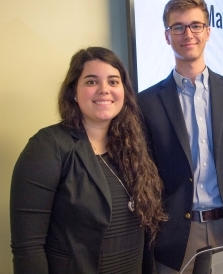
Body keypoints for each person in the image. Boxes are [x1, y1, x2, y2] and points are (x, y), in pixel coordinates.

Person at [137, 0, 223, 273]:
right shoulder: (146, 102)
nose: (188, 34)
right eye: (178, 27)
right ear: (167, 36)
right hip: (176, 234)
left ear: (207, 32)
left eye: (196, 25)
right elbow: (144, 175)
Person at [10, 47, 167, 274]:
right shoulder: (47, 146)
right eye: (92, 82)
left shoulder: (133, 149)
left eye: (113, 82)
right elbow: (28, 248)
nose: (104, 90)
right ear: (74, 91)